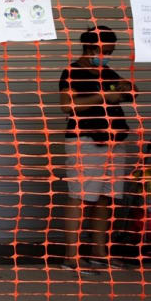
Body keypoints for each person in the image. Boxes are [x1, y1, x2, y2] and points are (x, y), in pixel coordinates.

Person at [58, 26, 136, 272]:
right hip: (86, 142)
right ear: (91, 48)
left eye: (111, 52)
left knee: (105, 198)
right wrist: (103, 97)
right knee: (80, 198)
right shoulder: (72, 72)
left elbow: (127, 94)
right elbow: (67, 105)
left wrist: (124, 88)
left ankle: (98, 254)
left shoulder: (106, 72)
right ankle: (71, 257)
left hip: (114, 141)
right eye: (105, 51)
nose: (107, 56)